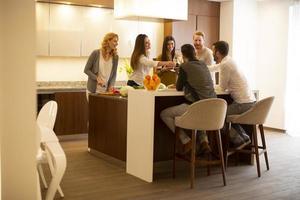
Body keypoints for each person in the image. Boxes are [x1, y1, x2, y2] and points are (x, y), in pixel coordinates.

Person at [160, 44, 216, 154]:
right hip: (213, 109)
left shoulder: (184, 66)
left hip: (197, 108)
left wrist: (181, 75)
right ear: (194, 53)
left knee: (164, 114)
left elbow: (179, 87)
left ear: (183, 55)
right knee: (200, 112)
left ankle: (186, 141)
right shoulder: (203, 64)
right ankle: (204, 142)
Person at [209, 41, 256, 147]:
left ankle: (238, 140)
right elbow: (216, 67)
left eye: (213, 50)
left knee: (218, 116)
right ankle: (243, 137)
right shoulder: (229, 60)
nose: (212, 52)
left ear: (217, 53)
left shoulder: (225, 64)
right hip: (250, 102)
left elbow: (222, 87)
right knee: (224, 115)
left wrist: (209, 86)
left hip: (242, 104)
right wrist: (202, 67)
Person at [84, 32, 119, 97]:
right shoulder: (96, 53)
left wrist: (111, 85)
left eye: (117, 42)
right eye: (115, 41)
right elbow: (86, 70)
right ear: (108, 41)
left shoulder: (115, 57)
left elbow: (114, 74)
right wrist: (97, 78)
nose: (117, 44)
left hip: (106, 92)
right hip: (93, 91)